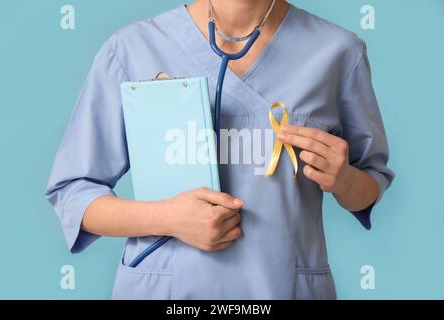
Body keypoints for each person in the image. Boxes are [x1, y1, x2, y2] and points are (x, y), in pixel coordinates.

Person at [45, 0, 394, 299]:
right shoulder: (131, 49)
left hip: (281, 288)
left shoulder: (338, 52)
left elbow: (369, 186)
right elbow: (73, 192)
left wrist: (343, 178)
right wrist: (168, 218)